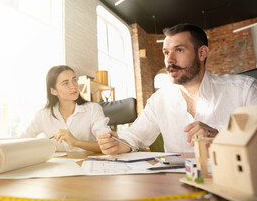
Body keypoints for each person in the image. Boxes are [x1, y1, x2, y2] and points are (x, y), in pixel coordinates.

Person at [98, 23, 257, 154]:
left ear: (202, 53)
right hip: (177, 187)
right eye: (166, 52)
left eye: (179, 50)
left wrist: (221, 137)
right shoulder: (159, 100)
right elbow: (134, 136)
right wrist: (118, 144)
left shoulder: (244, 90)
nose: (170, 60)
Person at [18, 65, 111, 152]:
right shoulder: (42, 115)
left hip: (86, 165)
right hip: (57, 167)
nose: (73, 86)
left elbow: (109, 144)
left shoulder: (93, 109)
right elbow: (21, 142)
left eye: (74, 80)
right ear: (53, 91)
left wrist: (76, 142)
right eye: (66, 83)